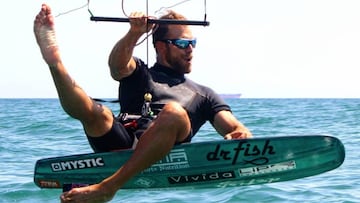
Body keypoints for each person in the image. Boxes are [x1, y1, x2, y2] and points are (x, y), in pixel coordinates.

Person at [34, 4, 252, 203]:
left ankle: (108, 188)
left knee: (174, 113)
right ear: (161, 47)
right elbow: (117, 67)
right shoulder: (139, 71)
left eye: (192, 43)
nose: (190, 49)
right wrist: (134, 32)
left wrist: (239, 134)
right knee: (99, 114)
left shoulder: (204, 94)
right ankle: (54, 62)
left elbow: (234, 127)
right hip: (124, 143)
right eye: (182, 43)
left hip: (167, 152)